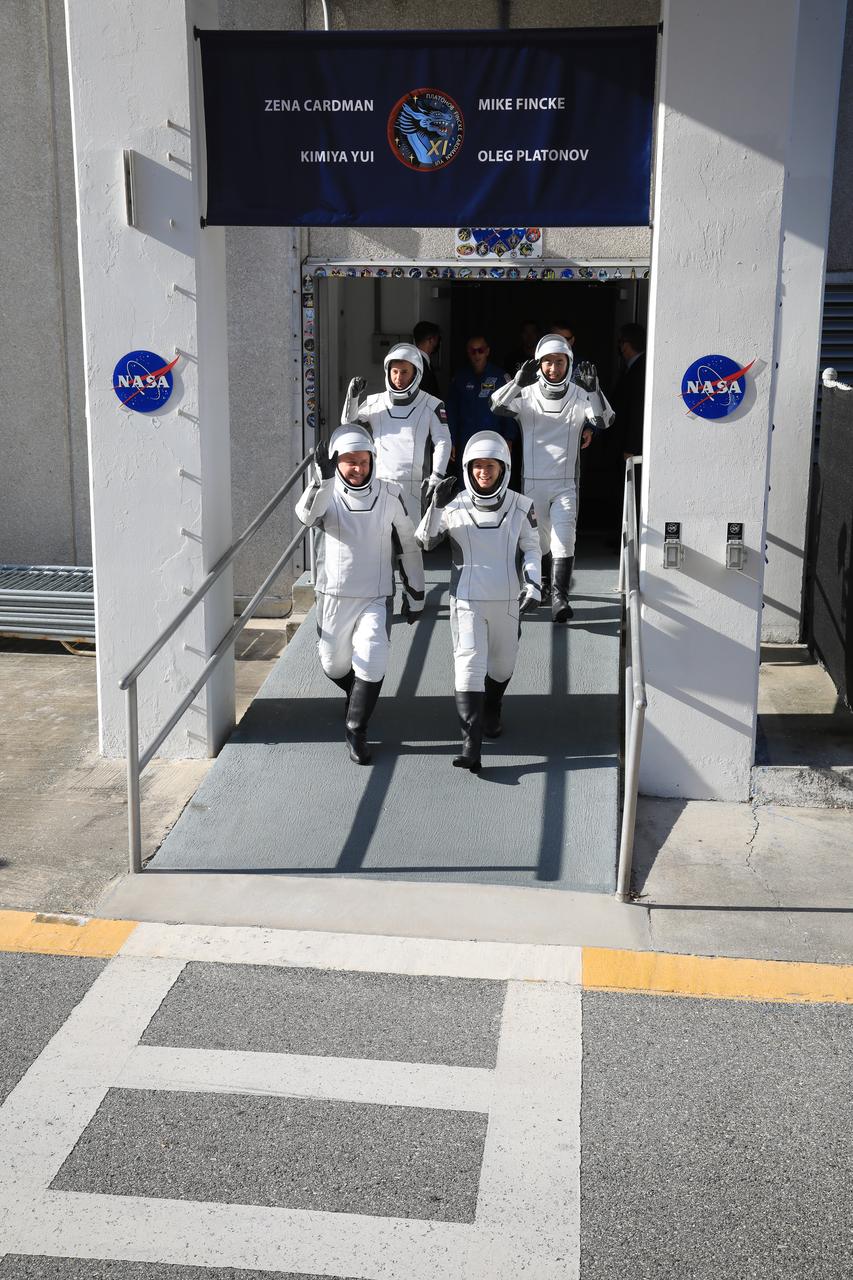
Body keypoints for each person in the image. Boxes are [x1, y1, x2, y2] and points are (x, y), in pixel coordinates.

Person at [295, 423, 424, 765]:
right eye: (350, 461)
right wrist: (323, 480)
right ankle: (358, 697)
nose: (358, 468)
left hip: (376, 595)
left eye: (364, 461)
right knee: (333, 664)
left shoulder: (390, 493)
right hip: (333, 595)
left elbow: (409, 544)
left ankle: (356, 729)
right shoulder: (326, 491)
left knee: (373, 656)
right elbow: (305, 516)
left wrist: (416, 591)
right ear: (336, 461)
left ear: (373, 460)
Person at [415, 431, 541, 773]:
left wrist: (534, 584)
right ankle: (471, 745)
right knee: (469, 666)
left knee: (502, 667)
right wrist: (436, 505)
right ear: (468, 468)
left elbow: (531, 548)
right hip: (467, 600)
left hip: (507, 600)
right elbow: (425, 541)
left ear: (504, 468)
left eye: (491, 466)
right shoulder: (453, 505)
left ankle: (493, 707)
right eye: (477, 466)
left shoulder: (521, 505)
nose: (483, 472)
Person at [491, 334, 614, 623]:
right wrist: (517, 383)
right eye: (547, 362)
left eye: (559, 362)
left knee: (564, 538)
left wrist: (595, 390)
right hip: (533, 482)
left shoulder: (580, 393)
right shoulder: (527, 392)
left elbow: (605, 420)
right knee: (538, 541)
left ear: (568, 363)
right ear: (539, 363)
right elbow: (496, 406)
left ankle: (560, 597)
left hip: (566, 483)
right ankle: (541, 585)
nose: (553, 368)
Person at [341, 343, 452, 525]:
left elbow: (443, 442)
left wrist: (436, 477)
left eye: (404, 372)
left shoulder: (431, 404)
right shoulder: (375, 401)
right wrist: (352, 398)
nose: (398, 377)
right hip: (378, 482)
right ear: (388, 372)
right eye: (395, 372)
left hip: (414, 486)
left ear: (416, 373)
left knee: (411, 541)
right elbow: (349, 427)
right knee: (379, 538)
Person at [446, 335, 518, 488]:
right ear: (468, 352)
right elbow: (451, 412)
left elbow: (511, 410)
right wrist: (450, 439)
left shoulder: (501, 377)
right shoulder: (459, 377)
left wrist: (509, 438)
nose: (477, 354)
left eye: (480, 350)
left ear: (487, 351)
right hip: (466, 440)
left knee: (493, 481)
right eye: (473, 351)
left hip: (494, 440)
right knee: (466, 481)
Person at [613, 323, 647, 459]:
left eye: (620, 343)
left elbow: (637, 410)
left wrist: (630, 447)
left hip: (632, 448)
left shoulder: (639, 371)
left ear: (625, 345)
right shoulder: (637, 367)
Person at [412, 320, 441, 398]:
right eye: (438, 339)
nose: (438, 343)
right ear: (432, 340)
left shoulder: (412, 361)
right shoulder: (419, 364)